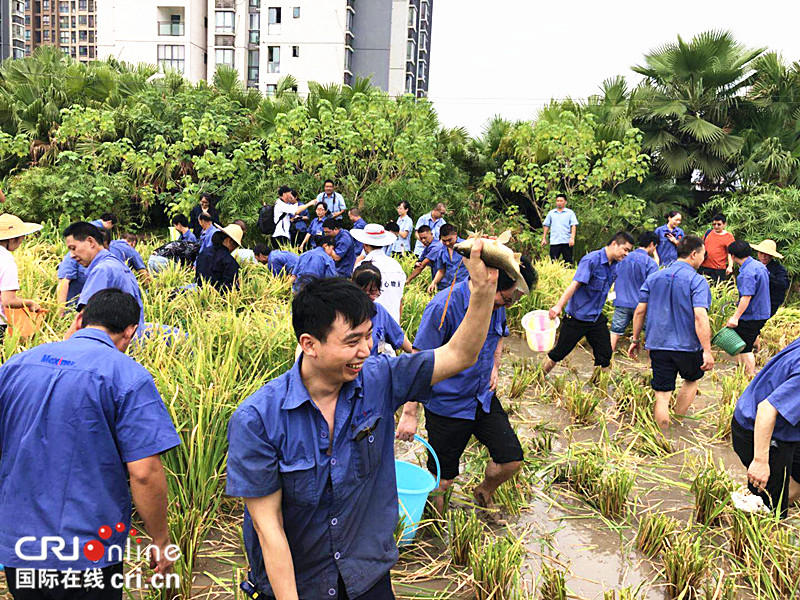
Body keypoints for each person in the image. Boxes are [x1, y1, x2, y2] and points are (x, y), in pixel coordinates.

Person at [225, 240, 499, 600]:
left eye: (369, 336)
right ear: (309, 344)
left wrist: (482, 291)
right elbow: (268, 527)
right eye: (353, 341)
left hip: (366, 576)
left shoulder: (379, 379)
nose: (366, 350)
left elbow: (460, 354)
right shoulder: (258, 419)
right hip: (297, 584)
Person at [0, 289, 180, 598]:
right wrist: (161, 540)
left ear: (80, 319)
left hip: (20, 546)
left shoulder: (15, 366)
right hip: (87, 550)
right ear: (130, 332)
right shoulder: (128, 376)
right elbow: (144, 472)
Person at [406, 255, 537, 513]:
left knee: (511, 460)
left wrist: (496, 367)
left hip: (482, 398)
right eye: (507, 298)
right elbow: (418, 362)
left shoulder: (497, 307)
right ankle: (436, 531)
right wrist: (410, 412)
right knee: (442, 480)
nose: (507, 306)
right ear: (490, 284)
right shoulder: (443, 307)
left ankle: (484, 491)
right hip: (447, 403)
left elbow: (500, 335)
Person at [628, 236, 714, 428]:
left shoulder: (654, 277)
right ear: (694, 254)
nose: (703, 258)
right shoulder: (697, 281)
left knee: (662, 394)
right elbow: (700, 316)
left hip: (657, 344)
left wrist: (635, 339)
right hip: (687, 346)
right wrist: (707, 351)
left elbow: (640, 310)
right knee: (691, 380)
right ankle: (677, 425)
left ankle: (663, 436)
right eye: (702, 254)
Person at [543, 232, 635, 376]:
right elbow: (575, 284)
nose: (627, 254)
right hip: (577, 317)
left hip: (595, 318)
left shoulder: (616, 265)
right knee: (559, 352)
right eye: (625, 249)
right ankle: (538, 377)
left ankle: (598, 388)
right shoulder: (592, 260)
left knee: (605, 356)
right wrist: (558, 306)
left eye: (629, 251)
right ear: (614, 244)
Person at [731, 336, 800, 518]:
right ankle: (756, 506)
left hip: (786, 427)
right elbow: (766, 410)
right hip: (759, 429)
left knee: (792, 484)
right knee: (771, 514)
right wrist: (760, 462)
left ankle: (767, 496)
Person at [64, 222, 146, 337]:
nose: (71, 255)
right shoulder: (116, 263)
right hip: (132, 337)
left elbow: (84, 317)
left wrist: (63, 347)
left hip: (117, 342)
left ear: (90, 242)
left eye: (73, 248)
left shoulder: (101, 270)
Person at [727, 240, 771, 377]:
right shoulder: (759, 266)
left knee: (745, 348)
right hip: (762, 311)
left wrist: (735, 317)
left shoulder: (746, 273)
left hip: (752, 314)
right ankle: (742, 373)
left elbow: (746, 297)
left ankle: (750, 377)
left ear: (732, 256)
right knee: (745, 344)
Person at [610, 231, 659, 351]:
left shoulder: (623, 258)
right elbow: (653, 286)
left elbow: (614, 276)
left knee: (615, 331)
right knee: (650, 334)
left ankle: (606, 360)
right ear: (652, 244)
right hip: (641, 305)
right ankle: (651, 364)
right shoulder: (650, 263)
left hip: (621, 301)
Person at [352, 263, 413, 356]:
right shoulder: (342, 312)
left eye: (373, 292)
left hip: (373, 367)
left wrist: (417, 356)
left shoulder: (379, 311)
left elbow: (399, 337)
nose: (367, 297)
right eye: (363, 292)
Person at [351, 224, 406, 323]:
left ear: (365, 244)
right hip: (393, 323)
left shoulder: (362, 267)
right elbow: (400, 300)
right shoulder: (396, 265)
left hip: (372, 325)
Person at [0, 214, 43, 339]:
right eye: (21, 239)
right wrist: (29, 303)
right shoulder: (6, 261)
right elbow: (8, 300)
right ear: (13, 239)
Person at [751, 239, 789, 318]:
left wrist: (766, 274)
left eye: (766, 254)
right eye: (761, 253)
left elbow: (783, 284)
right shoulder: (754, 266)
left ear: (771, 255)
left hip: (771, 302)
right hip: (755, 301)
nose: (763, 256)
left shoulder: (778, 268)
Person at [199, 225, 243, 292]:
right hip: (218, 300)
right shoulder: (229, 262)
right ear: (228, 241)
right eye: (235, 245)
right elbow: (230, 288)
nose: (234, 249)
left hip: (199, 296)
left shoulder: (204, 252)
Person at [428, 224, 467, 294]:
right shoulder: (441, 251)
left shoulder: (466, 246)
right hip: (448, 288)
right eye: (444, 240)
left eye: (449, 240)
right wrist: (433, 282)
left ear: (455, 234)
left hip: (465, 287)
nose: (447, 243)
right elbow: (441, 271)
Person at [541, 194, 579, 263]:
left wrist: (572, 238)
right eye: (557, 201)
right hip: (555, 241)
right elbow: (546, 225)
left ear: (565, 202)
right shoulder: (551, 213)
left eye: (561, 201)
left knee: (568, 261)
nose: (559, 203)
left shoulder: (570, 213)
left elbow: (573, 225)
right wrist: (544, 238)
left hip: (566, 241)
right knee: (553, 261)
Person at [698, 213, 734, 283]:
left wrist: (730, 266)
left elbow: (730, 253)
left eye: (719, 224)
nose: (716, 226)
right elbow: (702, 246)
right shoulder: (708, 233)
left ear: (724, 224)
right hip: (703, 266)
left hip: (718, 269)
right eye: (714, 224)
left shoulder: (729, 237)